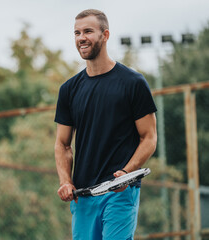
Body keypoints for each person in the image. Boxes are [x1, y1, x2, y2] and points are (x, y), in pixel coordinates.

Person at [54, 9, 157, 239]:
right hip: (84, 196)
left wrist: (127, 173)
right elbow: (62, 144)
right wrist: (65, 181)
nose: (81, 37)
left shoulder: (133, 83)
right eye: (77, 33)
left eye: (88, 31)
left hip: (120, 194)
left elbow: (149, 137)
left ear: (105, 35)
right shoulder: (69, 90)